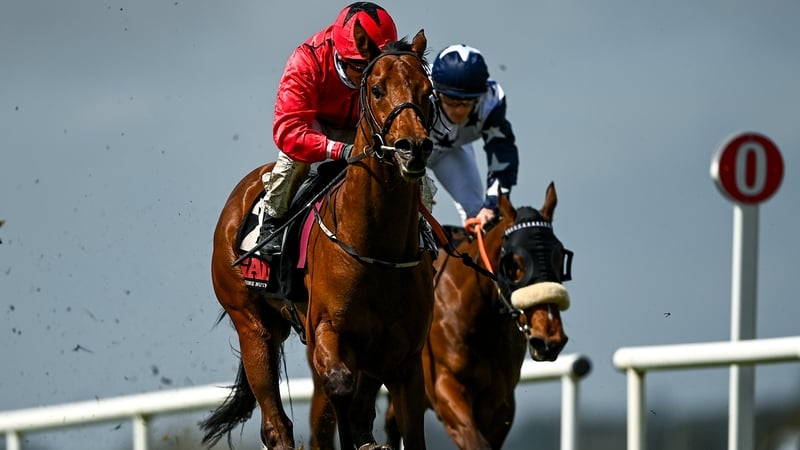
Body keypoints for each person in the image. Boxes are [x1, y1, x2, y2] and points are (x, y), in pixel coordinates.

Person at [257, 2, 398, 254]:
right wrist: (339, 150)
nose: (372, 76)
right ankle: (271, 223)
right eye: (363, 68)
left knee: (416, 174)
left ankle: (421, 232)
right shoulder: (306, 60)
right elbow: (287, 131)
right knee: (293, 161)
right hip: (316, 128)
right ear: (342, 57)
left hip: (364, 128)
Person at [428, 44, 520, 230]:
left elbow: (502, 155)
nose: (459, 110)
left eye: (467, 102)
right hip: (404, 155)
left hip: (449, 152)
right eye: (452, 101)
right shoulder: (416, 88)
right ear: (436, 92)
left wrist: (493, 204)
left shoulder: (491, 103)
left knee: (481, 217)